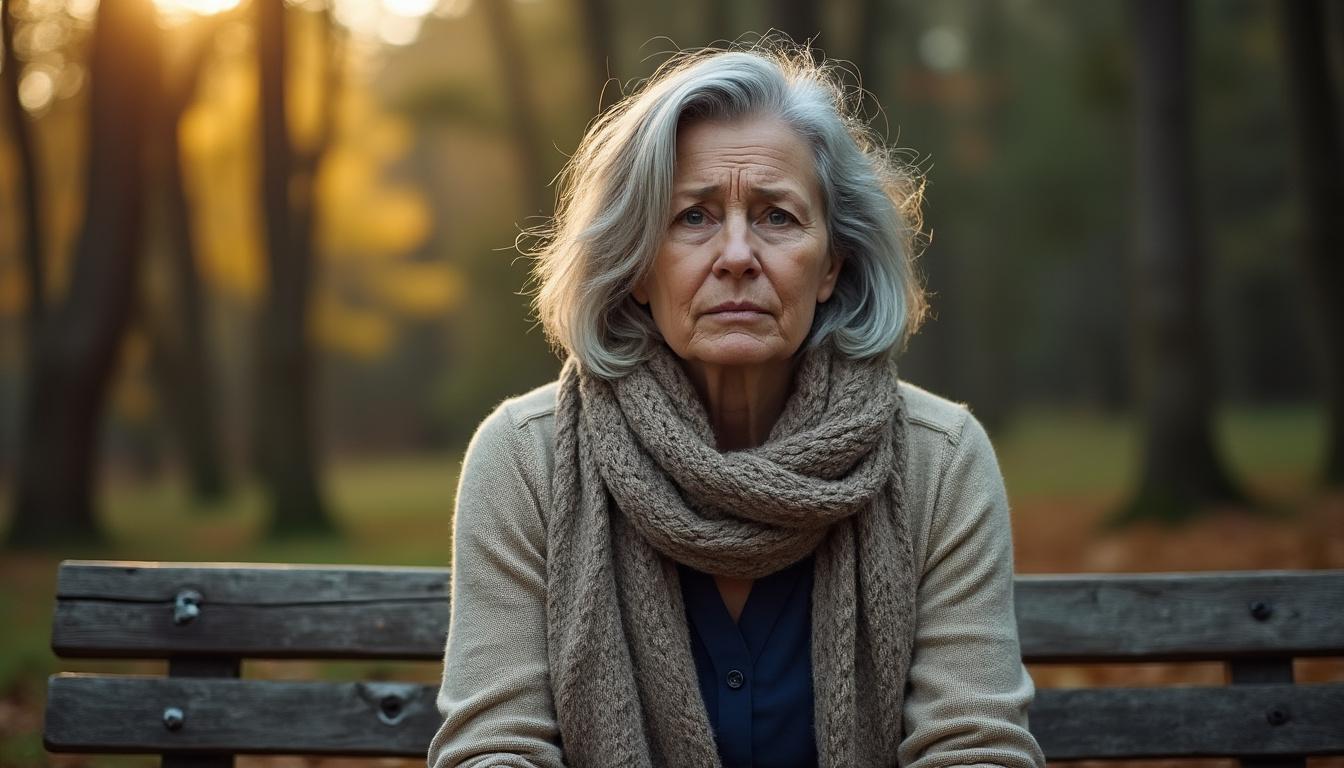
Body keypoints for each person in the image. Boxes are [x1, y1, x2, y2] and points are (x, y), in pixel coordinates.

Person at [427, 42, 1045, 768]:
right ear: (636, 267)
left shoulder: (940, 463)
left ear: (831, 266)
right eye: (693, 217)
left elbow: (976, 749)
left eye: (778, 216)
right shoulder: (525, 461)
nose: (737, 254)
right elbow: (493, 751)